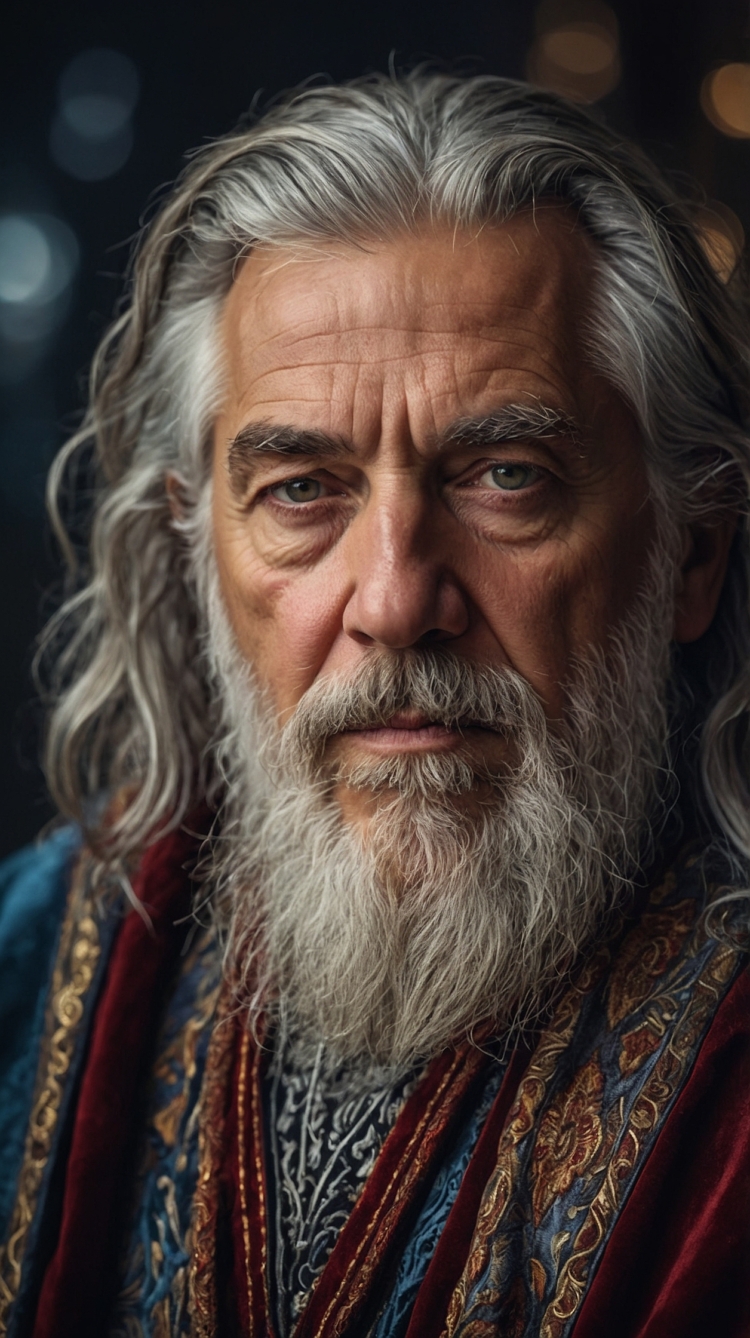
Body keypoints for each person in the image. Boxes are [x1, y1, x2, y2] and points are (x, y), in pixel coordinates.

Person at [1, 70, 749, 1338]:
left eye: (507, 476)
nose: (396, 600)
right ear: (197, 556)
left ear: (691, 552)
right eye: (301, 489)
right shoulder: (34, 966)